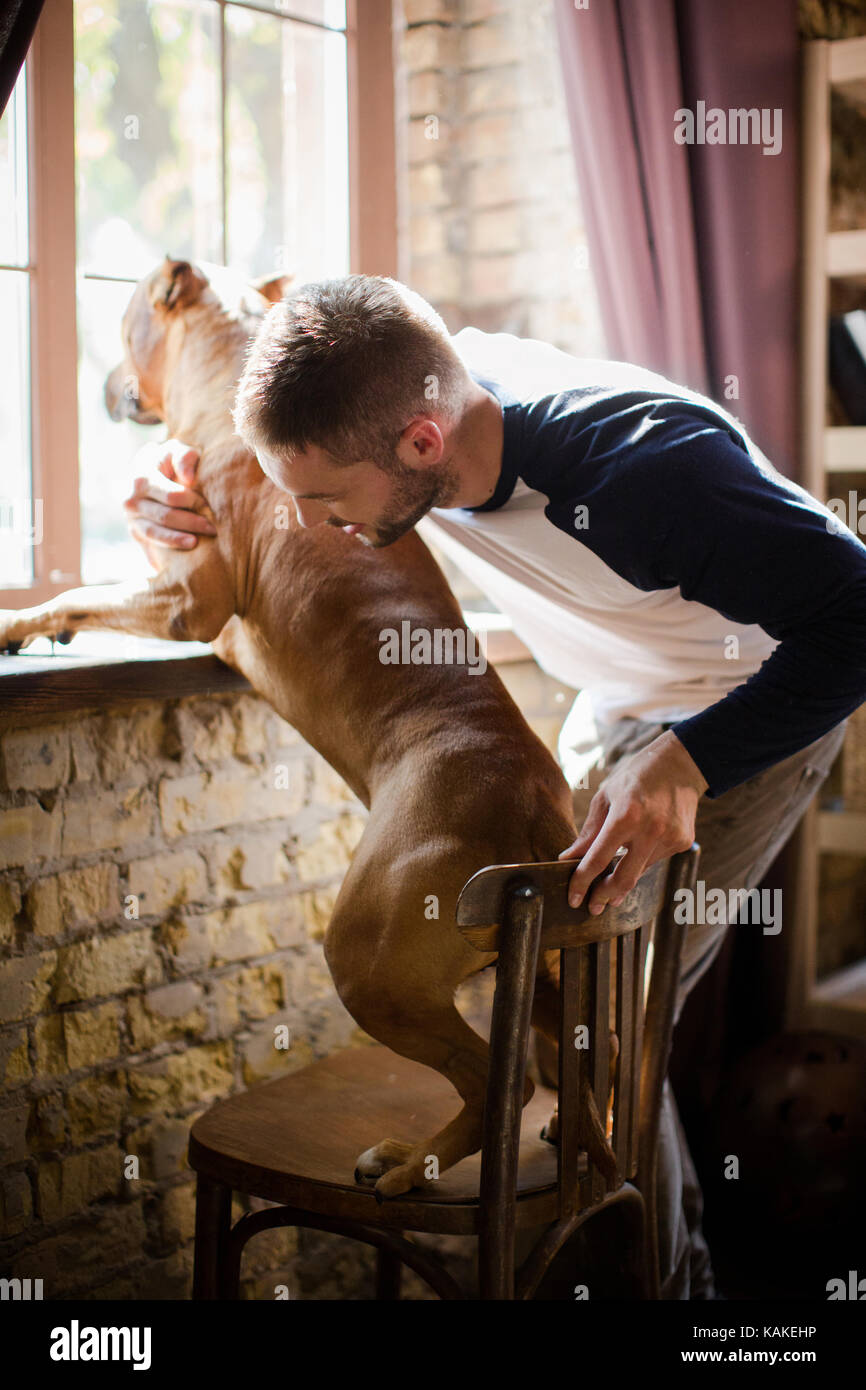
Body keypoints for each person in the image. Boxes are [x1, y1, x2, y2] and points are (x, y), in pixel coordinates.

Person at [123, 275, 866, 1298]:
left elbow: (855, 616)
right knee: (562, 1029)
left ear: (423, 446)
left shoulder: (653, 468)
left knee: (603, 1032)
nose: (313, 524)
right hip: (621, 699)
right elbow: (292, 316)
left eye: (327, 501)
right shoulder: (397, 393)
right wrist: (171, 487)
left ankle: (677, 1301)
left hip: (747, 711)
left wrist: (686, 760)